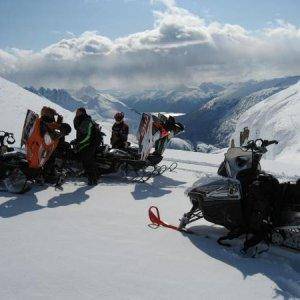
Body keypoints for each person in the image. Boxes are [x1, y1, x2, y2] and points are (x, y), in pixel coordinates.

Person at [73, 107, 99, 185]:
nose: (76, 113)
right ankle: (92, 178)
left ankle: (93, 180)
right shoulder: (82, 120)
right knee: (87, 161)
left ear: (82, 113)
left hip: (89, 144)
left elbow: (86, 136)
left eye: (78, 112)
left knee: (88, 162)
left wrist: (78, 141)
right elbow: (78, 129)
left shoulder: (86, 121)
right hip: (86, 144)